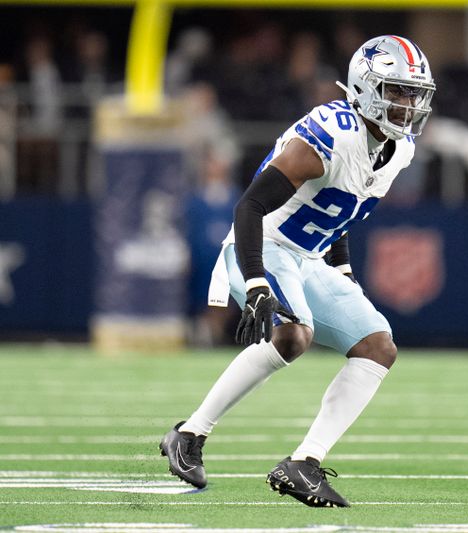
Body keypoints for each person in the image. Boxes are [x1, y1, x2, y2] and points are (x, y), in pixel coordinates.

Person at [159, 35, 436, 508]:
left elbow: (344, 206)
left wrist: (343, 269)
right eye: (397, 91)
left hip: (306, 257)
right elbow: (248, 207)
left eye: (414, 93)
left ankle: (303, 463)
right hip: (262, 242)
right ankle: (189, 434)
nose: (408, 104)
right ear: (366, 88)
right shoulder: (331, 134)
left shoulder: (398, 147)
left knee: (378, 346)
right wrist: (255, 280)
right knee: (294, 336)